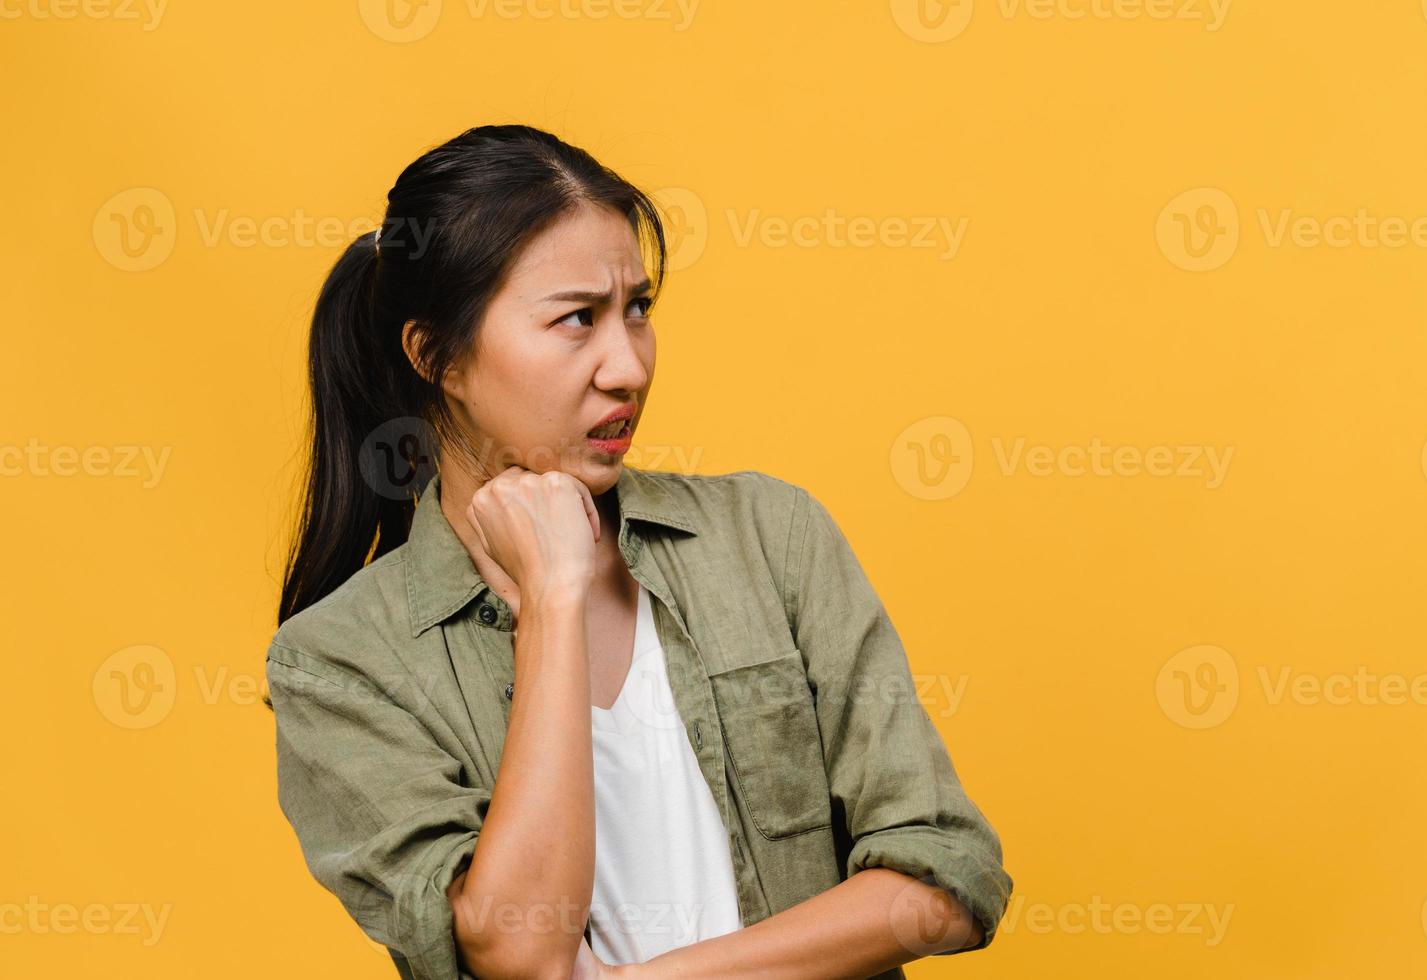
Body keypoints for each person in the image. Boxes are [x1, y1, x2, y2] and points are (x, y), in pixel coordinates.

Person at [264, 123, 1012, 979]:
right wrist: (550, 600)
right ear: (437, 356)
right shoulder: (337, 663)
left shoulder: (770, 538)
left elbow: (947, 879)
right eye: (576, 319)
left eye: (639, 310)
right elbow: (520, 950)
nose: (627, 366)